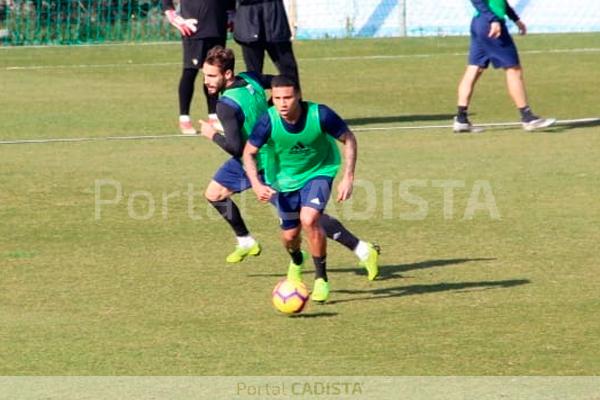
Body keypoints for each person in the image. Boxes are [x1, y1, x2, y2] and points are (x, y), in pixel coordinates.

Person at [200, 48, 378, 288]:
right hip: (265, 152)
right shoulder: (250, 78)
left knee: (309, 218)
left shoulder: (225, 106)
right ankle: (245, 240)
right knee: (214, 193)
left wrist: (212, 135)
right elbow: (276, 81)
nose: (206, 81)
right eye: (205, 75)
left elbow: (234, 147)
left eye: (211, 76)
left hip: (262, 162)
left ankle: (362, 249)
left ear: (228, 74)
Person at [243, 75, 364, 303]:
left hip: (319, 171)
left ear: (298, 95)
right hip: (283, 181)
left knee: (309, 219)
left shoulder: (321, 114)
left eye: (288, 97)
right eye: (277, 98)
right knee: (289, 237)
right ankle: (297, 259)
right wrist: (257, 184)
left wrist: (348, 176)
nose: (283, 103)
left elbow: (349, 139)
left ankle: (321, 279)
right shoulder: (267, 121)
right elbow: (248, 152)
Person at [453, 0, 556, 133]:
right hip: (489, 24)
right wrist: (493, 20)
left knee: (474, 68)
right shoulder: (492, 19)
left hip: (481, 23)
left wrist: (516, 19)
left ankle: (461, 119)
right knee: (513, 69)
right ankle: (527, 117)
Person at [162, 0, 236, 135]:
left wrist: (231, 11)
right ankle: (184, 118)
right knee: (190, 72)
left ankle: (214, 116)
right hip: (194, 27)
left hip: (218, 25)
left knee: (215, 73)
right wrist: (170, 12)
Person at [233, 0, 300, 87]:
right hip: (249, 26)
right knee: (254, 76)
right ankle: (257, 100)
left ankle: (294, 99)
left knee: (289, 72)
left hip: (276, 25)